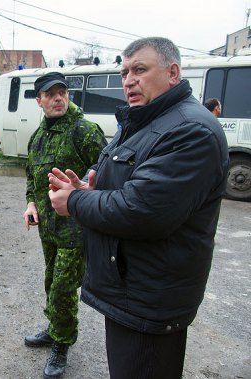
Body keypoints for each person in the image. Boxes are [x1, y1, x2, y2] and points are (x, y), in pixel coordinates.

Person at [48, 37, 229, 378]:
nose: (129, 80)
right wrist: (91, 187)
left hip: (149, 300)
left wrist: (73, 200)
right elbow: (131, 185)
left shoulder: (190, 130)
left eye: (140, 70)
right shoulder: (144, 120)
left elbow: (142, 210)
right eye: (124, 72)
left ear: (173, 72)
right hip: (131, 288)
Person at [22, 72, 107, 378]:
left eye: (62, 92)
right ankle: (54, 328)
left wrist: (88, 194)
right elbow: (32, 175)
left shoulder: (84, 130)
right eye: (51, 94)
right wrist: (31, 203)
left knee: (62, 287)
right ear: (39, 100)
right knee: (51, 281)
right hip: (48, 227)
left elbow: (107, 171)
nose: (58, 98)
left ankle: (61, 344)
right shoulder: (38, 135)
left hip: (76, 228)